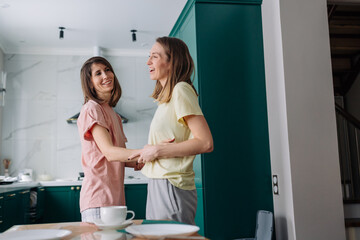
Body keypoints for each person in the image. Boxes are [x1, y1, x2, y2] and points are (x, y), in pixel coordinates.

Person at [129, 37, 214, 225]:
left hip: (172, 185)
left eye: (154, 57)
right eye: (148, 56)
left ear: (172, 62)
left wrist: (157, 151)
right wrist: (148, 153)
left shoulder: (181, 90)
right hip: (160, 183)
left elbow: (205, 142)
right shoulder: (166, 99)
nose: (148, 62)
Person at [77, 56, 142, 223]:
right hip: (98, 199)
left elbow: (122, 158)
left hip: (116, 201)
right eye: (98, 73)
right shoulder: (91, 108)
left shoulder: (114, 115)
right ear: (90, 83)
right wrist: (145, 152)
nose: (106, 76)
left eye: (107, 70)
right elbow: (110, 153)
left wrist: (151, 155)